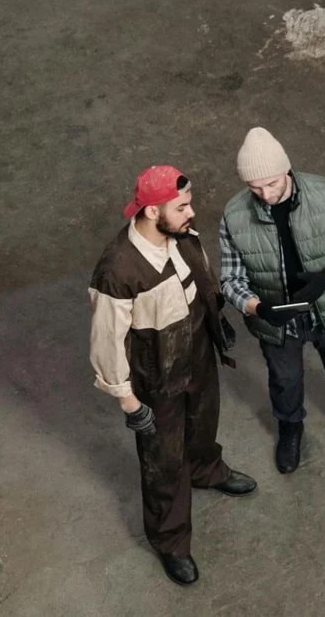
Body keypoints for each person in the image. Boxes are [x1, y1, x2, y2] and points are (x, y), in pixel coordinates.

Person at [88, 165, 256, 586]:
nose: (191, 212)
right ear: (149, 212)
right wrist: (128, 401)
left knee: (202, 426)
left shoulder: (181, 234)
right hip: (156, 379)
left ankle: (206, 470)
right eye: (182, 206)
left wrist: (216, 318)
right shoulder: (118, 270)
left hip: (197, 353)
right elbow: (107, 342)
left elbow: (199, 278)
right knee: (163, 462)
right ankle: (170, 541)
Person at [219, 127, 325, 474]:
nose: (265, 194)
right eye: (255, 188)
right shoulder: (233, 216)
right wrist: (255, 307)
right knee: (285, 379)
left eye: (272, 184)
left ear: (286, 171)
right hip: (276, 318)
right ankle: (290, 428)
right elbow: (230, 279)